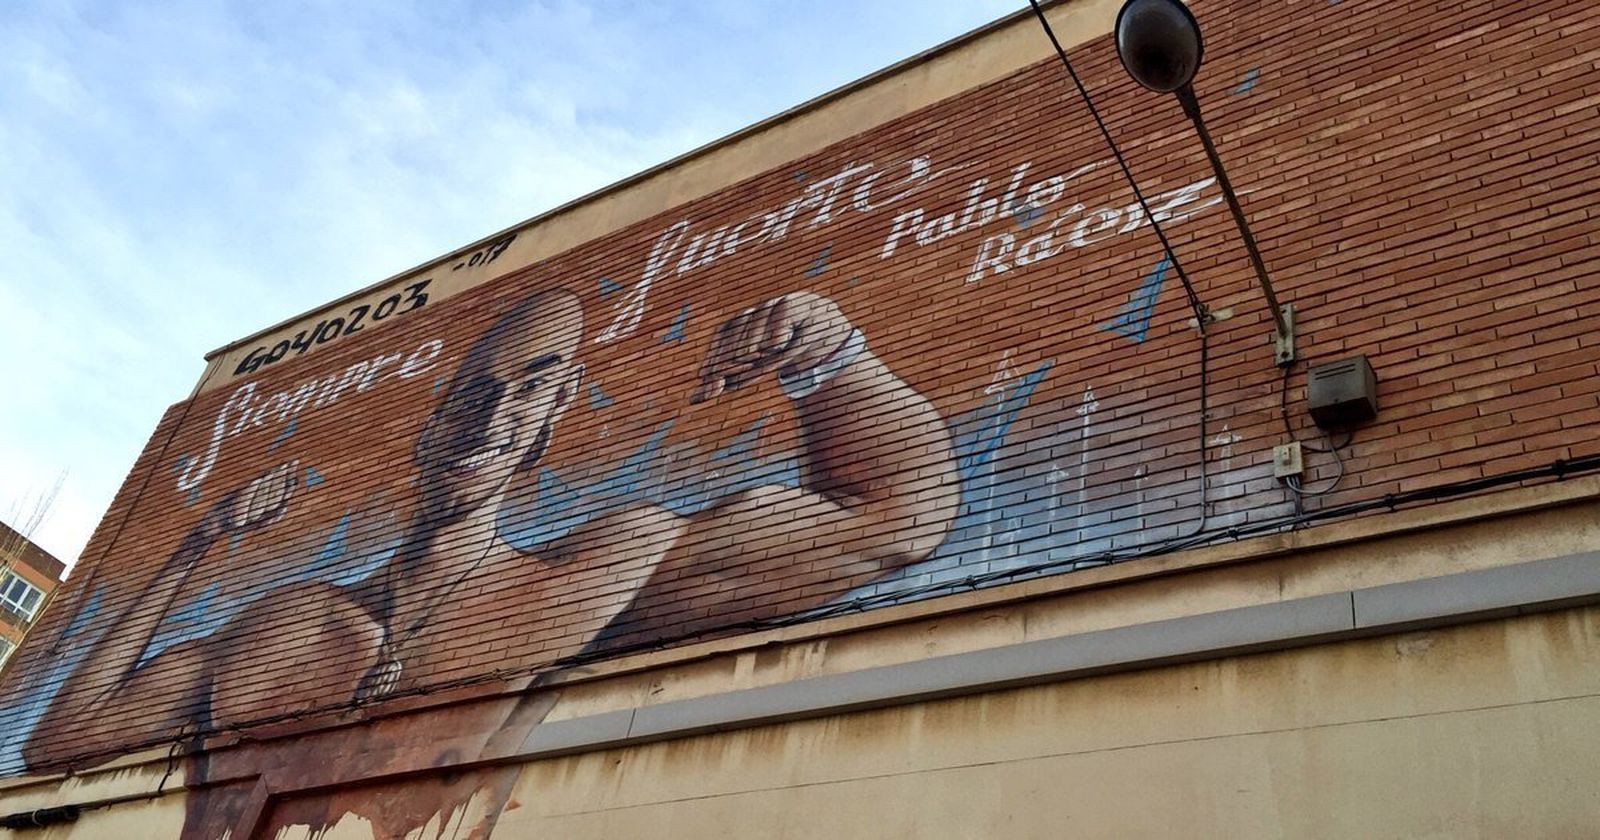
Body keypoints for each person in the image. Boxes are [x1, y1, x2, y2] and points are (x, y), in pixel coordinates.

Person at [23, 288, 960, 832]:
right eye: (472, 392)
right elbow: (63, 742)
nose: (491, 412)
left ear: (549, 426)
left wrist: (828, 354)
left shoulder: (588, 572)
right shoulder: (282, 622)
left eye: (532, 389)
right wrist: (195, 544)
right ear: (428, 431)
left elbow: (896, 523)